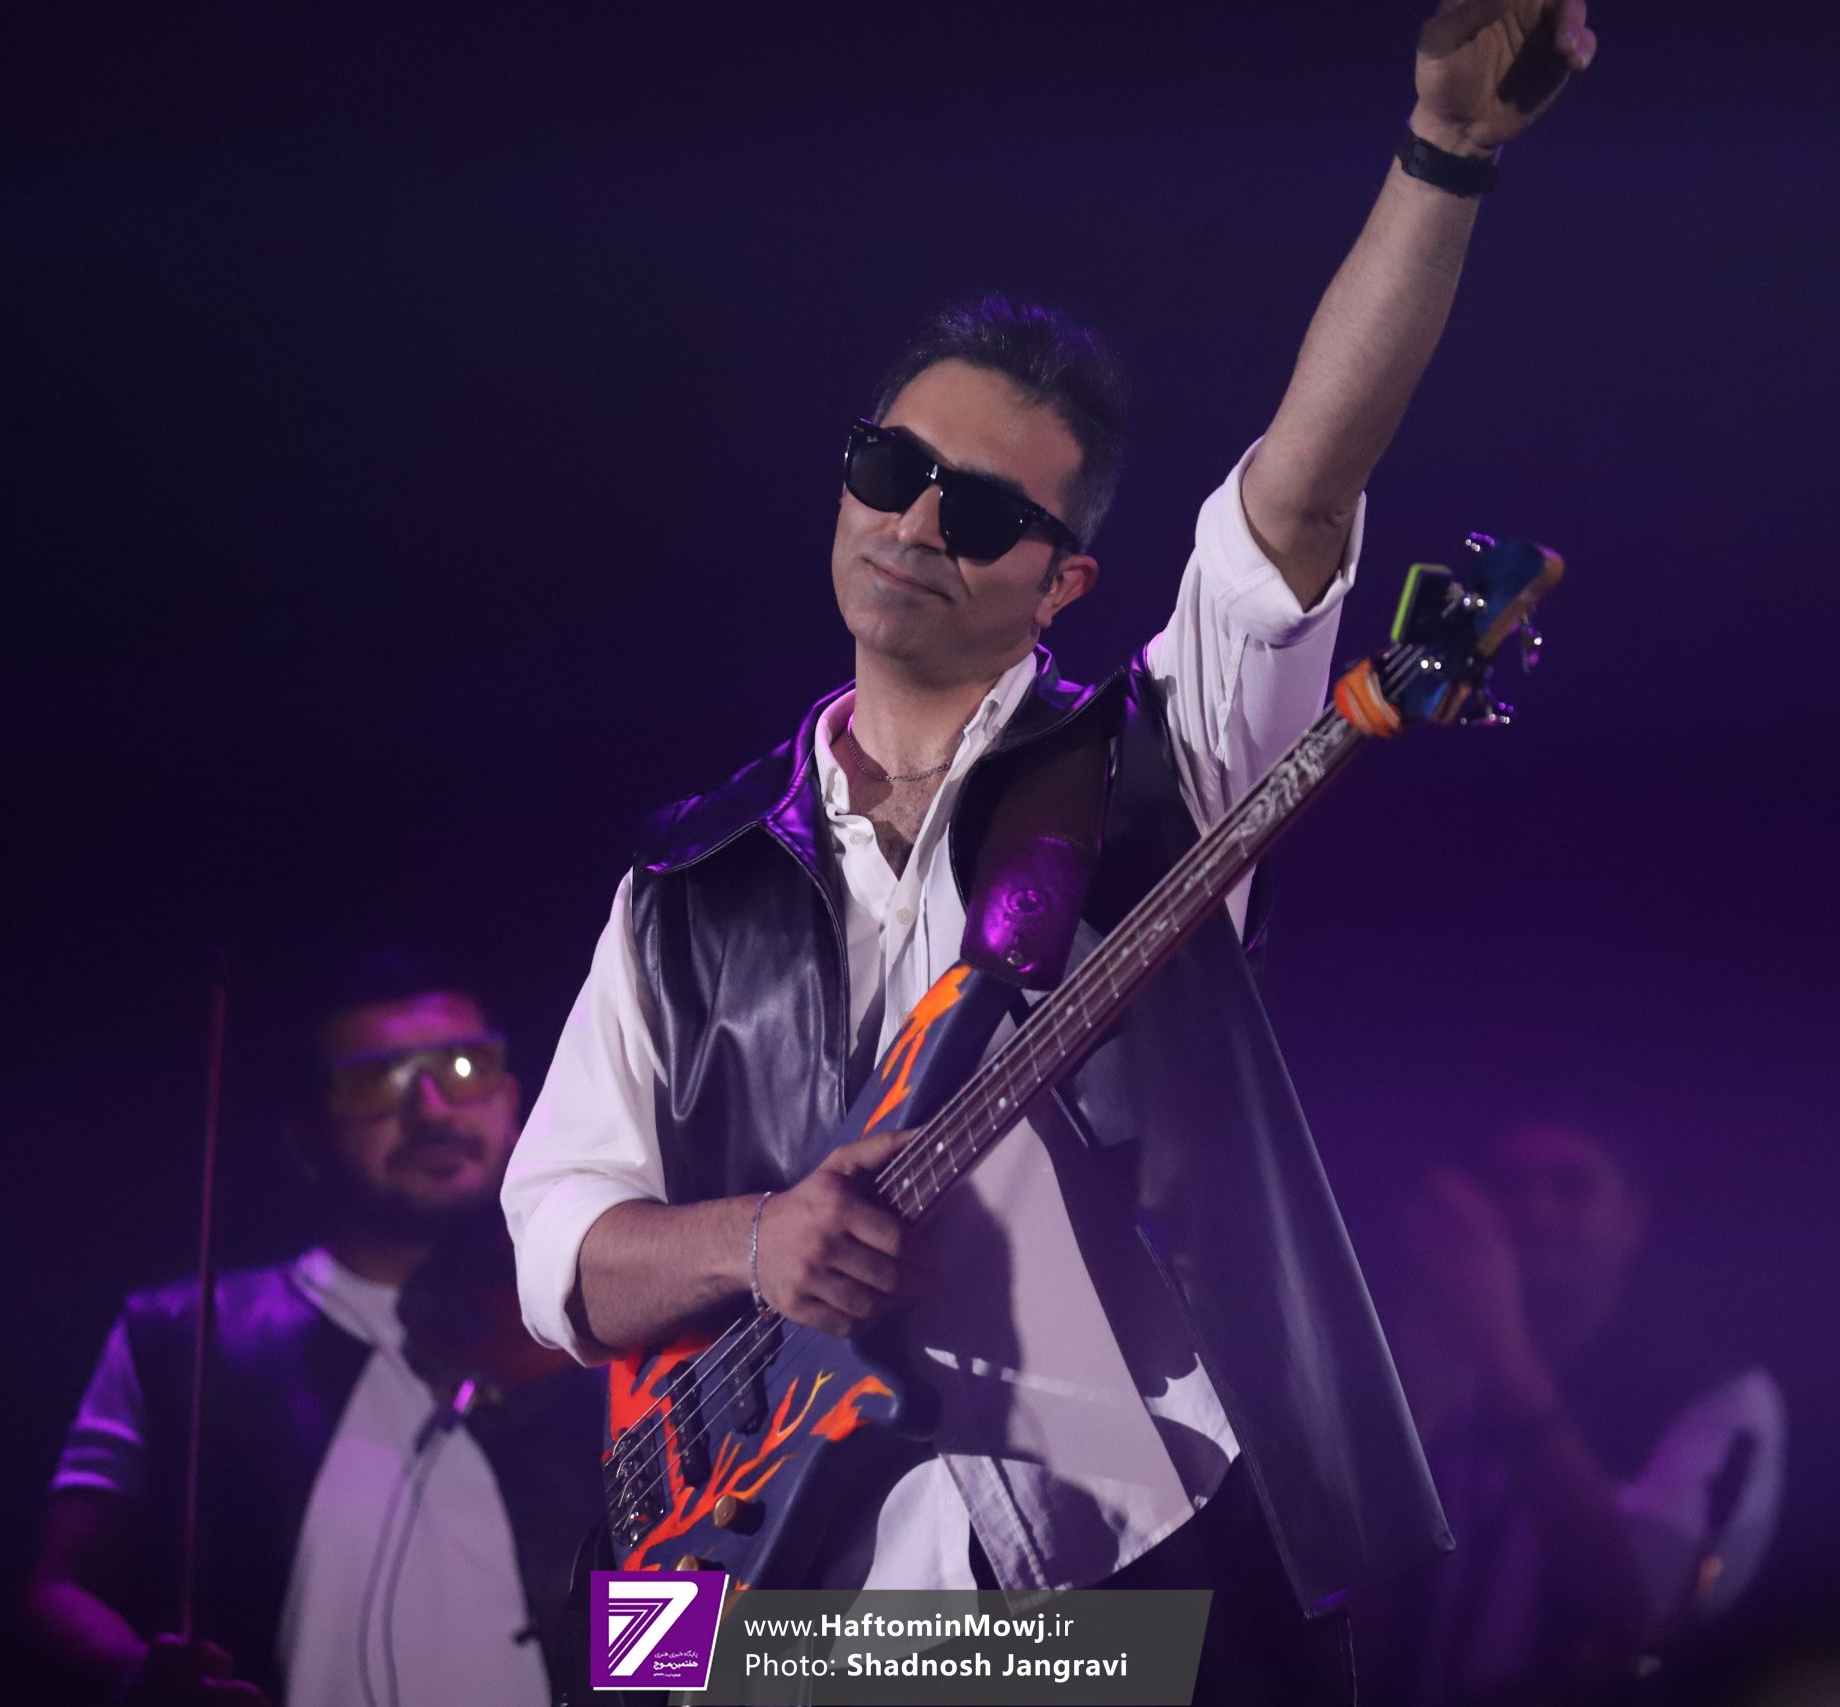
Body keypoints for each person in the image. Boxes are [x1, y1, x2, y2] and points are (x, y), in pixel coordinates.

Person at [503, 2, 1598, 1695]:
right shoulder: (681, 885)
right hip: (767, 1607)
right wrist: (756, 1238)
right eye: (892, 466)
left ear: (1062, 578)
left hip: (1119, 1606)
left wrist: (1443, 155)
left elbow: (1297, 501)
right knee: (628, 1664)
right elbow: (559, 1246)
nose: (918, 521)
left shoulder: (1156, 767)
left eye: (988, 511)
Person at [27, 953, 603, 1707]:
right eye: (376, 1081)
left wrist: (684, 1681)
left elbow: (676, 1584)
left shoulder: (603, 1317)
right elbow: (61, 1588)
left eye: (465, 1067)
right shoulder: (179, 1332)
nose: (433, 1110)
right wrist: (135, 1676)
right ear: (306, 1141)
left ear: (514, 1102)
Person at [1384, 1119, 1785, 1705]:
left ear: (1632, 1218)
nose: (1536, 1211)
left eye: (1571, 1187)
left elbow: (1643, 1606)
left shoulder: (1718, 1394)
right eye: (1509, 1186)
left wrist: (1499, 1347)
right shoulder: (1425, 1367)